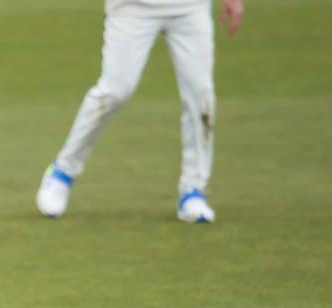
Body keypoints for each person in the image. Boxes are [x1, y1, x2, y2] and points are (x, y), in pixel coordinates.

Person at [36, 0, 244, 223]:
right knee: (115, 91)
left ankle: (193, 190)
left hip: (190, 7)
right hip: (131, 7)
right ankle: (63, 170)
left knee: (200, 95)